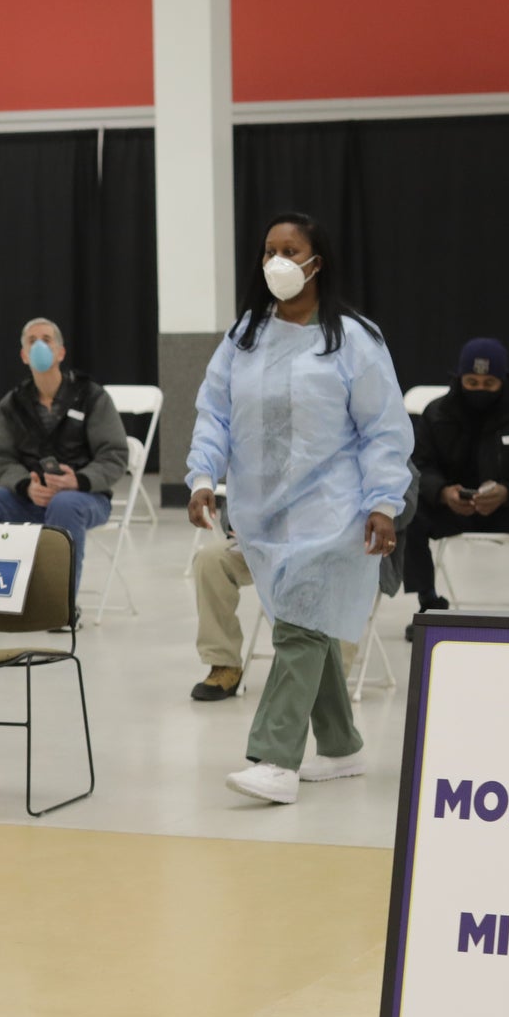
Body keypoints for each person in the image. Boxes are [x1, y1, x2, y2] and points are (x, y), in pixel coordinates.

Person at [185, 211, 413, 805]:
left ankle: (274, 758)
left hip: (333, 511)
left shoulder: (354, 339)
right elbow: (215, 411)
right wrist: (202, 475)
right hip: (263, 514)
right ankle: (342, 747)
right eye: (268, 251)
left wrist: (384, 503)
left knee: (299, 628)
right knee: (304, 622)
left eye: (290, 249)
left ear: (318, 261)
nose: (276, 261)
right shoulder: (245, 336)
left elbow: (384, 430)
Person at [0, 318, 131, 594]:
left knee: (64, 504)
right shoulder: (12, 404)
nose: (40, 345)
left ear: (61, 352)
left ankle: (58, 603)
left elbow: (115, 455)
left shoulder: (91, 396)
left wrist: (80, 481)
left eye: (47, 340)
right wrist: (27, 486)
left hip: (84, 498)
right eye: (32, 341)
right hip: (29, 497)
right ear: (24, 355)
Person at [406, 338, 509, 614]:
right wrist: (443, 492)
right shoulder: (437, 412)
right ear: (459, 379)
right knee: (408, 510)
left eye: (489, 384)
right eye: (472, 382)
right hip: (454, 506)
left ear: (504, 379)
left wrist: (508, 490)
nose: (480, 390)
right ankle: (428, 604)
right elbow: (419, 465)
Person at [187, 495, 363, 701]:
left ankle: (330, 678)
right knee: (210, 560)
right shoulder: (268, 461)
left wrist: (374, 516)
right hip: (268, 545)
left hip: (334, 546)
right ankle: (223, 663)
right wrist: (244, 523)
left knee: (340, 572)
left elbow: (404, 495)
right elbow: (237, 496)